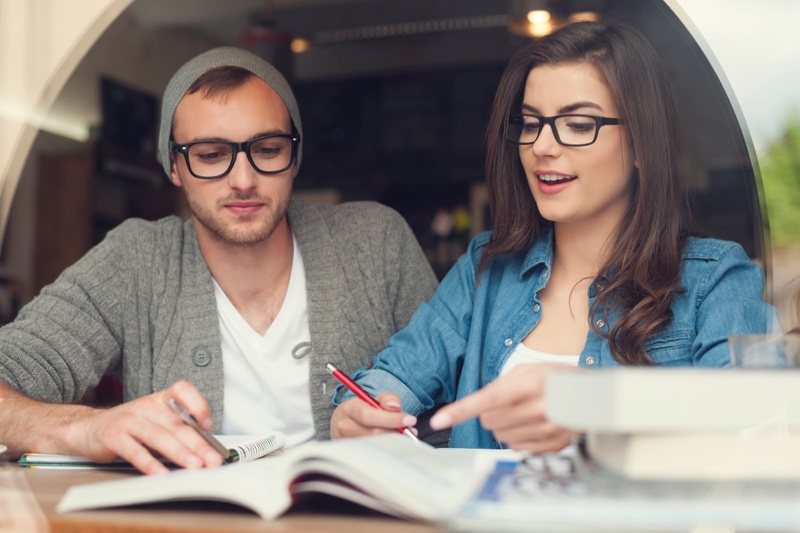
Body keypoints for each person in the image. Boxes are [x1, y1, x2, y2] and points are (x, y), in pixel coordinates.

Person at [330, 20, 777, 451]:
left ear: (642, 142)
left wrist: (590, 406)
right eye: (530, 123)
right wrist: (356, 412)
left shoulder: (714, 279)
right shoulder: (486, 268)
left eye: (579, 125)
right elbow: (396, 378)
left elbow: (754, 427)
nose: (542, 146)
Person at [0, 47, 438, 473]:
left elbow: (459, 402)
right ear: (174, 166)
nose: (243, 181)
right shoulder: (135, 261)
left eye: (267, 150)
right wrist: (88, 427)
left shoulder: (376, 243)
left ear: (294, 156)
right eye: (211, 155)